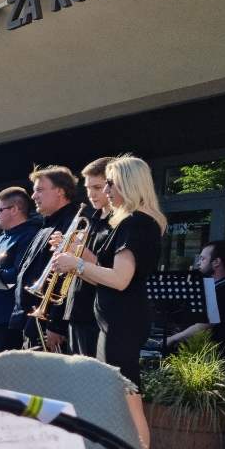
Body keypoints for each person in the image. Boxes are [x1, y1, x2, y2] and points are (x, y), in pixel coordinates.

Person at [49, 154, 166, 392]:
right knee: (111, 394)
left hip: (122, 319)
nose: (106, 189)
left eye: (110, 183)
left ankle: (134, 432)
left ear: (129, 183)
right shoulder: (131, 221)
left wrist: (76, 264)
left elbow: (120, 280)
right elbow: (105, 276)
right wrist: (71, 262)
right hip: (113, 319)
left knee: (121, 394)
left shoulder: (136, 222)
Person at [16, 166, 83, 352]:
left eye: (39, 190)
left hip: (49, 324)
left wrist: (56, 324)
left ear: (60, 191)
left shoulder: (72, 222)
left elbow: (67, 278)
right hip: (34, 318)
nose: (33, 196)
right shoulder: (46, 223)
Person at [0, 187, 41, 355]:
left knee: (8, 377)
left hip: (10, 321)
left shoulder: (31, 235)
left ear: (15, 209)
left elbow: (21, 275)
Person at [167, 239, 225, 364]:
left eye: (202, 259)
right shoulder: (224, 287)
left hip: (222, 363)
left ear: (216, 262)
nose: (198, 263)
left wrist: (172, 339)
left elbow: (204, 326)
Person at [64, 158, 114, 359]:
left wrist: (79, 253)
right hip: (76, 309)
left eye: (97, 187)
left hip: (96, 315)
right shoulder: (92, 220)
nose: (91, 193)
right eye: (88, 187)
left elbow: (112, 275)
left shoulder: (117, 224)